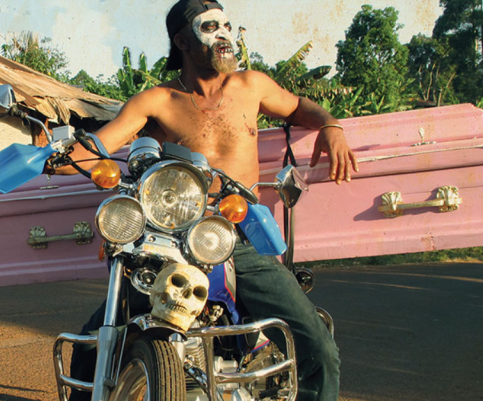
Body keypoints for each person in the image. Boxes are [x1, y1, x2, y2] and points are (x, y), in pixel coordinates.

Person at [60, 1, 358, 400]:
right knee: (92, 345)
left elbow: (298, 107)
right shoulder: (157, 101)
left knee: (317, 347)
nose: (224, 36)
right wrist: (53, 157)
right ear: (182, 41)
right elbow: (100, 145)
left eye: (227, 26)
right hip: (172, 240)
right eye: (210, 27)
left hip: (239, 237)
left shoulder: (251, 85)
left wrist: (331, 125)